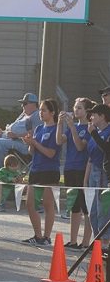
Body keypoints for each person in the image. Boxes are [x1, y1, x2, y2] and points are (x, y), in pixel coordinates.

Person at [20, 99, 60, 246]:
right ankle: (37, 235)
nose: (41, 113)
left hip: (50, 170)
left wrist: (36, 143)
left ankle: (47, 236)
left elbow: (51, 153)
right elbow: (32, 151)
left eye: (44, 110)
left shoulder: (56, 129)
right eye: (40, 110)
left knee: (48, 204)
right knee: (29, 203)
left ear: (52, 112)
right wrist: (30, 143)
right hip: (35, 169)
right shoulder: (38, 129)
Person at [56, 98, 93, 249]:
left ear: (86, 111)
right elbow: (59, 141)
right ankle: (73, 240)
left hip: (82, 168)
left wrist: (72, 127)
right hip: (70, 168)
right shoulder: (72, 126)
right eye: (75, 108)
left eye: (79, 108)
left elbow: (79, 147)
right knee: (73, 205)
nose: (76, 111)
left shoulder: (89, 127)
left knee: (86, 207)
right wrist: (60, 123)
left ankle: (85, 241)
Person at [0, 93, 42, 176]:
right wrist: (2, 132)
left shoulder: (37, 115)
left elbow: (36, 131)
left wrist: (16, 135)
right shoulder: (23, 114)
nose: (22, 106)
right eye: (22, 104)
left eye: (25, 103)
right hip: (9, 138)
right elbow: (11, 128)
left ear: (33, 104)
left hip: (24, 143)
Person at [86, 103, 110, 248]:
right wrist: (86, 177)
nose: (91, 117)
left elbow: (106, 149)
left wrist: (93, 133)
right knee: (92, 212)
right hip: (93, 171)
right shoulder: (94, 131)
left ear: (102, 116)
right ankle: (97, 242)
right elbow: (90, 154)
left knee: (102, 210)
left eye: (94, 114)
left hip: (103, 173)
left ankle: (105, 243)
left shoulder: (107, 130)